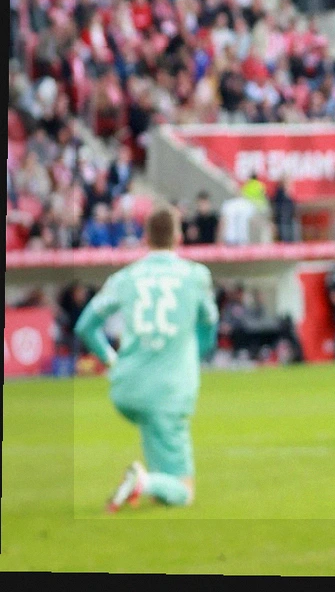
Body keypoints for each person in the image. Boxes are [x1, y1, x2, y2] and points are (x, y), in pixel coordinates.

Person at [73, 204, 219, 511]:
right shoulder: (195, 276)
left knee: (160, 458)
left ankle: (153, 485)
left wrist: (112, 361)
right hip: (170, 388)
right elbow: (209, 324)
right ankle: (143, 482)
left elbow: (85, 326)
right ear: (178, 237)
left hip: (127, 386)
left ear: (145, 238)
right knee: (184, 492)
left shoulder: (125, 277)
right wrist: (195, 355)